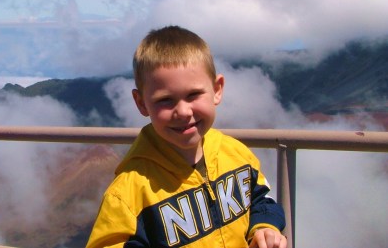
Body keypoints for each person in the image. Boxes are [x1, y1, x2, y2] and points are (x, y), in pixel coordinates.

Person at [86, 25, 286, 248]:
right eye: (165, 100)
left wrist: (265, 227)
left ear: (217, 89)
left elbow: (262, 199)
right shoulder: (129, 193)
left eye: (193, 95)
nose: (182, 111)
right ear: (142, 103)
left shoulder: (236, 154)